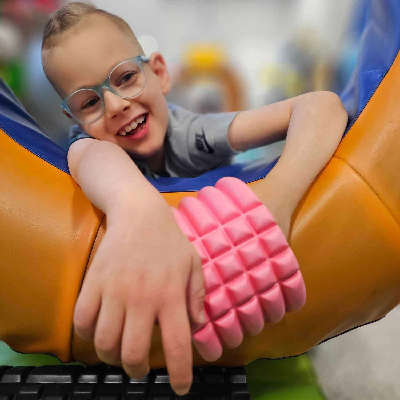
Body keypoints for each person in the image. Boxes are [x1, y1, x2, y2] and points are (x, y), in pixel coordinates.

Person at [41, 2, 348, 396]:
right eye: (89, 102)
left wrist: (277, 197)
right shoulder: (89, 145)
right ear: (75, 120)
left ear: (159, 73)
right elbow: (90, 158)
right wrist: (135, 208)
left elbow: (321, 105)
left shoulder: (190, 135)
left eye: (126, 77)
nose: (115, 105)